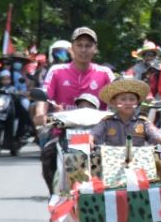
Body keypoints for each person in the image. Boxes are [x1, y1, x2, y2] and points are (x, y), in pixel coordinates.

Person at [35, 27, 115, 191]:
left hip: (100, 137)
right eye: (80, 45)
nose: (84, 50)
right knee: (48, 158)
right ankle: (56, 200)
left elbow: (117, 99)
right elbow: (44, 95)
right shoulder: (56, 71)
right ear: (72, 48)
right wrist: (40, 114)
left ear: (95, 49)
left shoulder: (105, 73)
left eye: (88, 45)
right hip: (63, 135)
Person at [91, 78, 161, 151]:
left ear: (137, 102)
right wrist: (89, 140)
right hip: (112, 163)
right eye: (123, 99)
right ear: (114, 102)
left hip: (138, 164)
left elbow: (154, 135)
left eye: (132, 99)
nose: (128, 103)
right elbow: (94, 134)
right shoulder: (106, 122)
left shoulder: (143, 122)